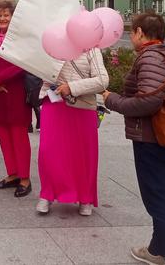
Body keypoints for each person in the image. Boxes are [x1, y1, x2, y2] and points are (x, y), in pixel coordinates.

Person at [104, 13, 165, 265]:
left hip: (154, 141)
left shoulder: (150, 57)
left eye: (132, 32)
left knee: (159, 204)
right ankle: (156, 250)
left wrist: (112, 99)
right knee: (162, 196)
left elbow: (148, 102)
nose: (130, 37)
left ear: (141, 32)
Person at [36, 50, 109, 216]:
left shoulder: (91, 49)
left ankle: (85, 197)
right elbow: (39, 70)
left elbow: (103, 80)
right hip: (54, 103)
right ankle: (47, 194)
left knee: (82, 154)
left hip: (82, 105)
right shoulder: (52, 42)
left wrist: (72, 87)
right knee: (48, 151)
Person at [0, 0, 33, 198]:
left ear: (13, 16)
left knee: (19, 135)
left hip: (15, 92)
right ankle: (12, 173)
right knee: (3, 134)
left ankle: (25, 178)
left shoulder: (21, 38)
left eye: (6, 14)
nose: (2, 18)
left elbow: (22, 64)